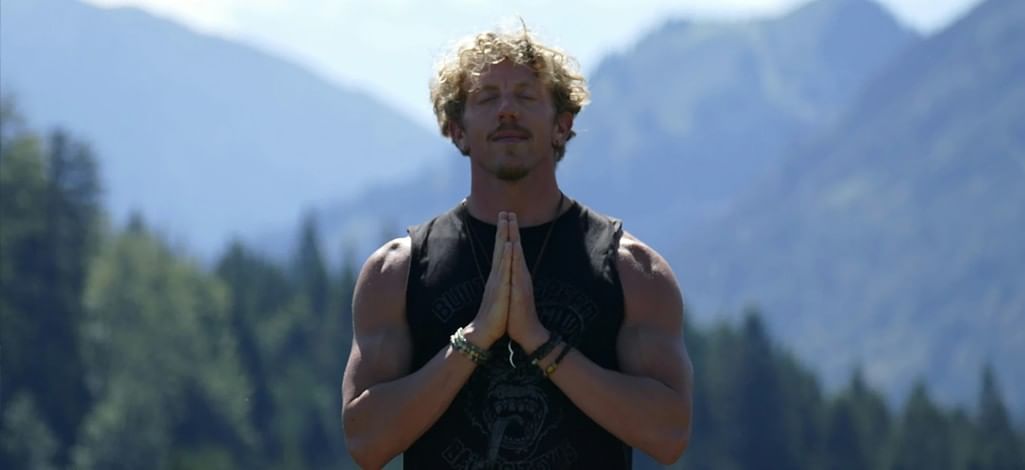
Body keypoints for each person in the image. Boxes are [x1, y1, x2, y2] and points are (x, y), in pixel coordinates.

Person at [341, 24, 693, 470]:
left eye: (526, 96)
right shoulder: (397, 273)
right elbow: (365, 441)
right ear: (457, 129)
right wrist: (475, 338)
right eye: (487, 97)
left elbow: (670, 436)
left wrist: (541, 343)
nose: (507, 110)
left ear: (562, 125)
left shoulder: (632, 272)